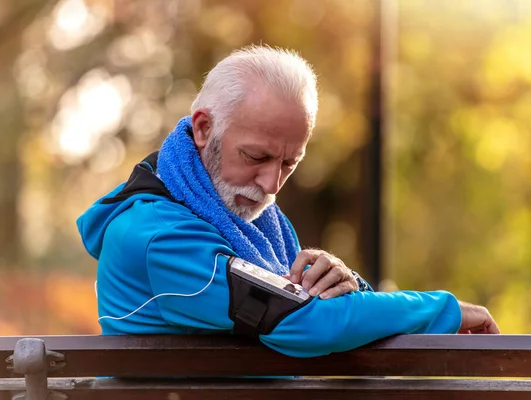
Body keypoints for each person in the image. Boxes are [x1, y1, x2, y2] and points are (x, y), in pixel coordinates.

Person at [77, 45, 499, 358]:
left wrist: (345, 283)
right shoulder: (159, 237)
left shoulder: (258, 224)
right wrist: (445, 309)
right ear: (204, 129)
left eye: (288, 164)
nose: (272, 185)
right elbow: (301, 322)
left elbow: (316, 310)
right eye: (256, 156)